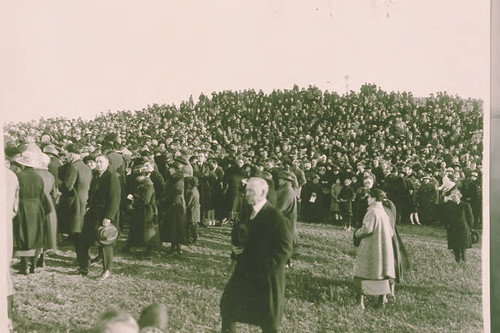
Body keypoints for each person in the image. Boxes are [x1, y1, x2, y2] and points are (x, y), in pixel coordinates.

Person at [220, 177, 293, 333]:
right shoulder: (248, 213)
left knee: (268, 322)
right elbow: (243, 238)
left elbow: (285, 248)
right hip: (246, 271)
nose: (247, 194)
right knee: (228, 306)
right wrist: (237, 249)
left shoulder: (275, 217)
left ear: (263, 192)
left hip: (266, 277)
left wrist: (265, 267)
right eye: (247, 191)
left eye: (251, 191)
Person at [77, 154, 121, 279]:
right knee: (84, 240)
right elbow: (92, 194)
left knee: (105, 242)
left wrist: (109, 217)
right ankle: (83, 267)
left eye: (101, 162)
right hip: (93, 213)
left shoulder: (112, 178)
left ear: (107, 163)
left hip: (104, 214)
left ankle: (107, 270)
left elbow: (114, 199)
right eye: (97, 162)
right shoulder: (95, 176)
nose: (98, 164)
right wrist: (88, 206)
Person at [353, 188, 395, 309]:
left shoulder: (372, 211)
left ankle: (359, 303)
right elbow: (391, 232)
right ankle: (381, 301)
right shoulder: (384, 212)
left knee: (363, 271)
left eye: (368, 197)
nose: (367, 199)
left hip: (371, 247)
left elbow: (368, 229)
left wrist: (357, 233)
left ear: (374, 198)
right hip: (383, 249)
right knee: (382, 273)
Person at [12, 151, 52, 275]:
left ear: (22, 164)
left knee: (22, 235)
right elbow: (41, 194)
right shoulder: (38, 176)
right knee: (36, 235)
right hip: (36, 207)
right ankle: (34, 265)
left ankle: (24, 266)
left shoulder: (18, 175)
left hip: (23, 206)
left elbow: (15, 193)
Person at [58, 143, 92, 259]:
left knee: (76, 233)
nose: (66, 157)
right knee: (81, 231)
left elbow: (67, 186)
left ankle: (82, 260)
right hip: (83, 200)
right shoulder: (86, 166)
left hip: (75, 202)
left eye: (66, 154)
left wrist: (59, 186)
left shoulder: (73, 167)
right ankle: (85, 257)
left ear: (71, 154)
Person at [124, 161, 160, 254]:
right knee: (137, 229)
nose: (135, 179)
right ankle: (131, 245)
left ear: (142, 175)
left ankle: (149, 251)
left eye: (137, 177)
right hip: (142, 210)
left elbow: (145, 200)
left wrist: (133, 198)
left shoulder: (147, 184)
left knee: (148, 231)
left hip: (147, 211)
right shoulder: (144, 183)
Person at [34, 152, 58, 268]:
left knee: (35, 230)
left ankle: (33, 258)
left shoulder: (34, 174)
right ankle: (42, 258)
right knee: (45, 231)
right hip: (48, 203)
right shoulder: (50, 175)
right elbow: (54, 193)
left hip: (36, 202)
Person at [441, 188, 474, 263]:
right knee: (455, 247)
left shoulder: (465, 205)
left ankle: (464, 262)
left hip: (463, 229)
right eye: (452, 197)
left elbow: (470, 218)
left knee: (463, 247)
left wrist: (469, 228)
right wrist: (447, 226)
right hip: (453, 229)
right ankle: (457, 261)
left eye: (454, 197)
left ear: (459, 196)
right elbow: (445, 217)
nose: (453, 198)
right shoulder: (449, 206)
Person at [275, 170, 298, 268]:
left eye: (281, 179)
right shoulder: (284, 189)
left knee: (284, 240)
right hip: (284, 219)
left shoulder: (287, 191)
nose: (279, 180)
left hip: (285, 220)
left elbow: (280, 207)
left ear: (286, 180)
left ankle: (285, 262)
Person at [185, 176, 201, 243]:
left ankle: (193, 238)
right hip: (196, 209)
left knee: (191, 225)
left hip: (192, 210)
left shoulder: (191, 192)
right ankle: (195, 237)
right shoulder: (196, 190)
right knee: (194, 224)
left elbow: (188, 203)